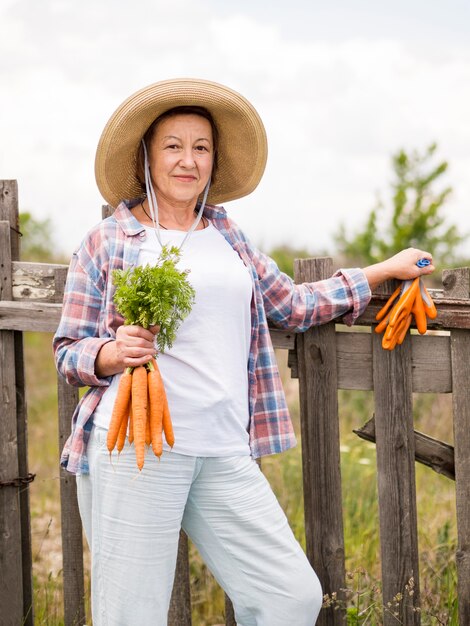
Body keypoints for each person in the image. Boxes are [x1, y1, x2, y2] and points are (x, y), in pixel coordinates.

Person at [53, 78, 434, 626]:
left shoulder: (229, 237)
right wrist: (111, 352)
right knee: (131, 616)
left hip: (224, 447)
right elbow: (69, 352)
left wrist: (379, 272)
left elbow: (293, 305)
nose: (189, 160)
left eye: (201, 148)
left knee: (289, 597)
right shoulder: (107, 240)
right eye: (173, 146)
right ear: (146, 156)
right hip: (135, 445)